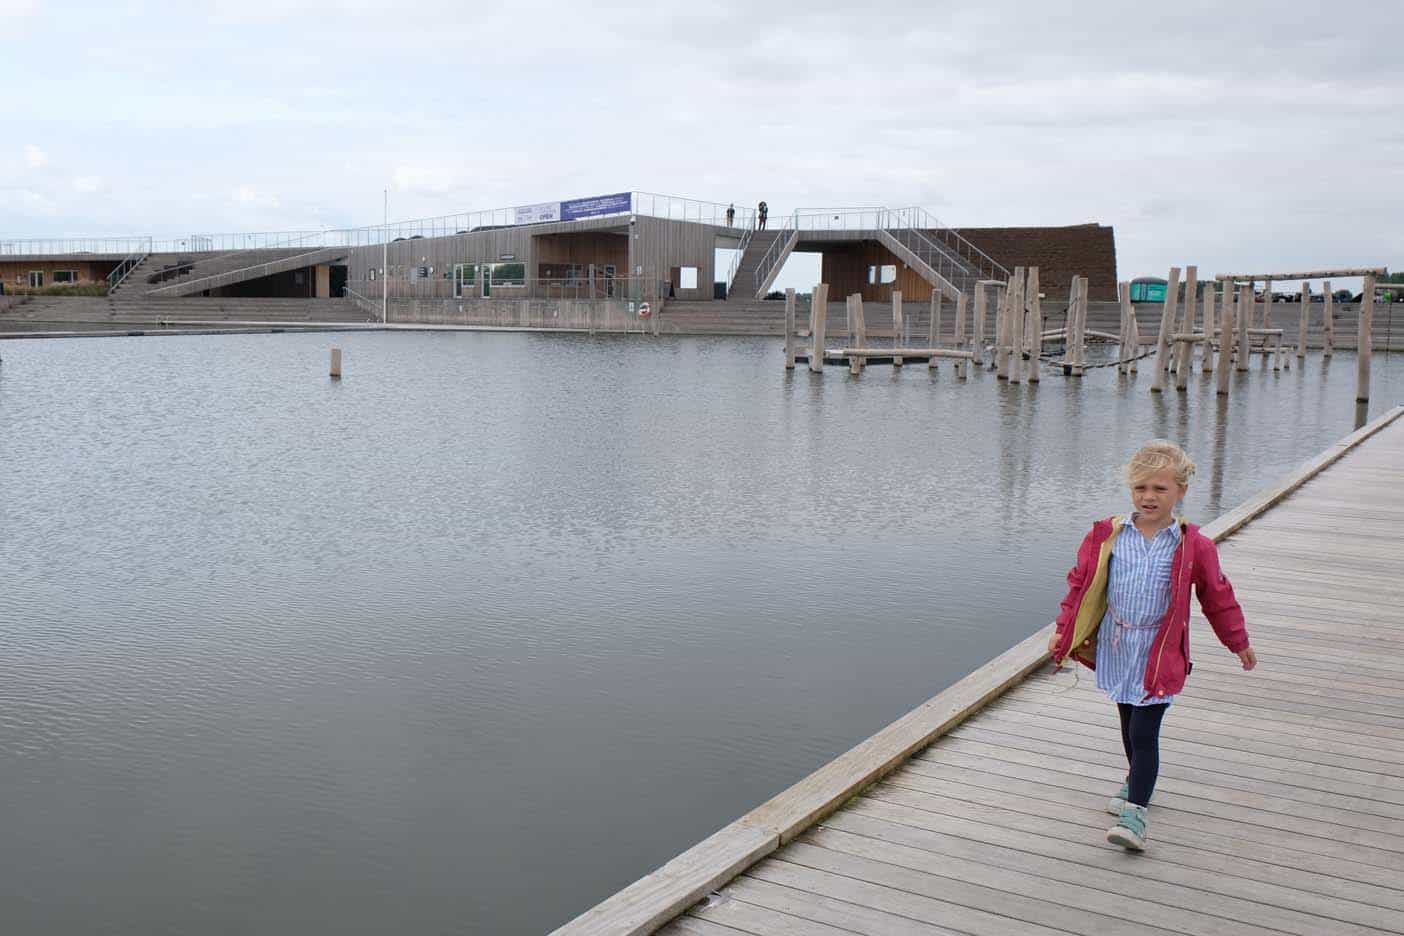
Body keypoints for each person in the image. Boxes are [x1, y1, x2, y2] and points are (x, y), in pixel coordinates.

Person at [1048, 439, 1256, 852]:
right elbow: (1081, 584)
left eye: (1160, 489)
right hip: (1118, 644)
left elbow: (1217, 595)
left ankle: (1135, 815)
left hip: (1159, 651)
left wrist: (1238, 642)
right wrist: (1063, 627)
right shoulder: (1106, 535)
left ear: (1180, 492)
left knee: (1145, 731)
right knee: (1128, 723)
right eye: (1141, 488)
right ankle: (1135, 780)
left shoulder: (1193, 544)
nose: (1149, 497)